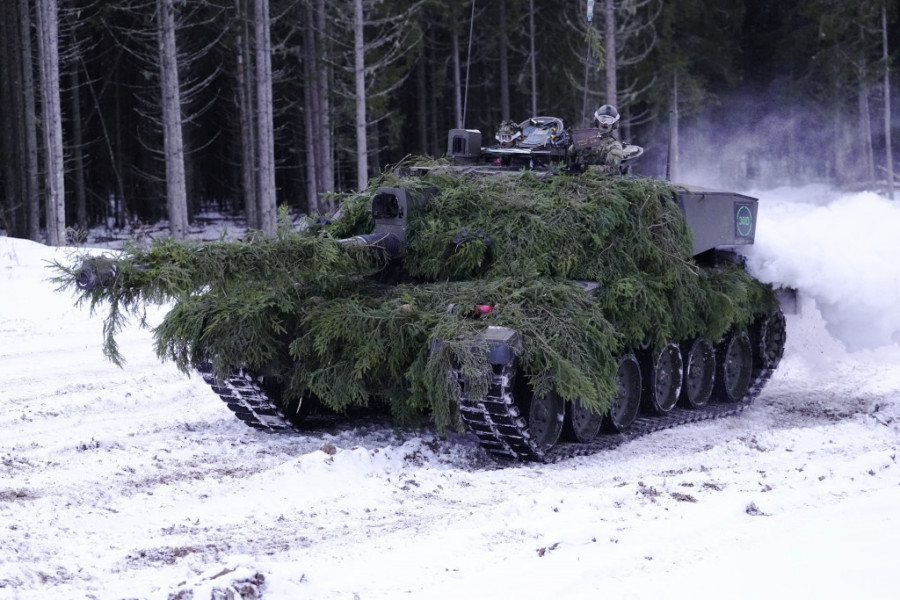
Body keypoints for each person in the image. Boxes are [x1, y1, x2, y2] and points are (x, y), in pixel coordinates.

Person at [570, 104, 624, 175]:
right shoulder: (585, 137)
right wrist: (574, 146)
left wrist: (585, 168)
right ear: (597, 120)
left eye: (609, 120)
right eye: (603, 119)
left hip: (602, 183)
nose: (605, 123)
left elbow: (612, 169)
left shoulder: (615, 146)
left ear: (614, 124)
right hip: (574, 179)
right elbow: (569, 155)